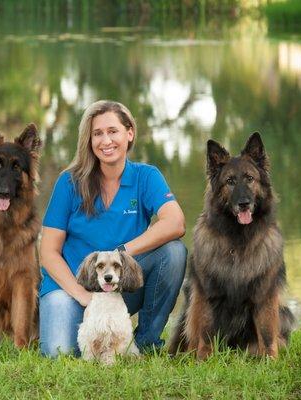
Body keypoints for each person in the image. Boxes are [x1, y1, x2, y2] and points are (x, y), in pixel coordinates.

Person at [39, 100, 187, 357]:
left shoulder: (146, 176)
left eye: (113, 131)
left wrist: (121, 252)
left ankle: (146, 342)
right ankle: (92, 332)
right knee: (59, 352)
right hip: (72, 290)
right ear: (89, 140)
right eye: (97, 134)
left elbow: (175, 222)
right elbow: (48, 252)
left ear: (129, 133)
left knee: (173, 253)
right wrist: (85, 297)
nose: (105, 141)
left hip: (120, 286)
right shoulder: (69, 182)